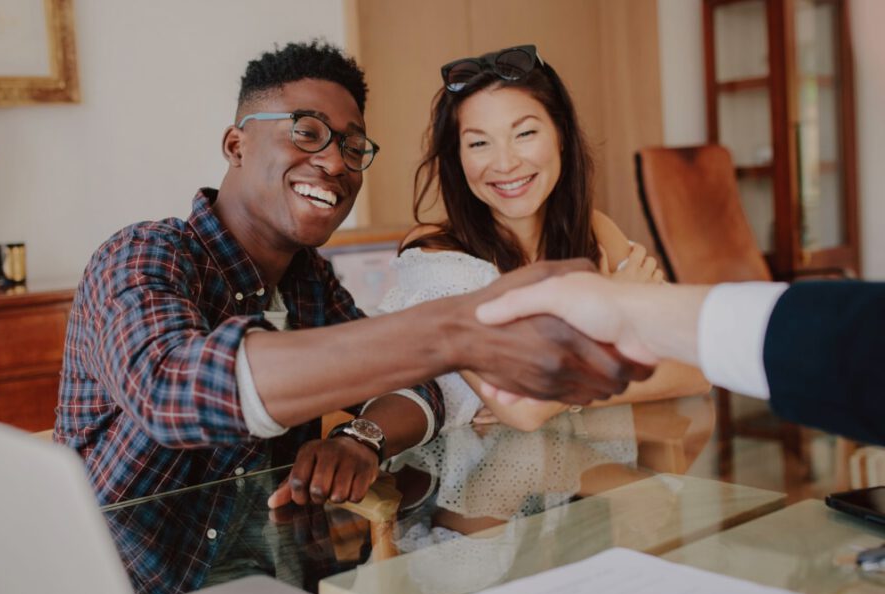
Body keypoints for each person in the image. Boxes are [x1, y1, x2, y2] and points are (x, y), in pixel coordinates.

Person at [54, 41, 652, 520]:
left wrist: (362, 437)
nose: (336, 162)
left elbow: (418, 387)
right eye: (307, 132)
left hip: (286, 593)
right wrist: (449, 330)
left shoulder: (312, 285)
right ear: (237, 144)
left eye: (353, 145)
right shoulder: (142, 256)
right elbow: (173, 390)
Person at [377, 44, 708, 433]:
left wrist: (562, 395)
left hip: (588, 473)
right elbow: (525, 412)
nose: (504, 163)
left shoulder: (595, 231)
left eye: (525, 133)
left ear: (561, 135)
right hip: (453, 485)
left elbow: (697, 364)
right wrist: (608, 319)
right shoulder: (435, 254)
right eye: (479, 143)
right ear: (458, 158)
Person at [477, 272, 885, 445]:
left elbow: (695, 375)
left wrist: (631, 310)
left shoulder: (600, 231)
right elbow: (527, 412)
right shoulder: (445, 261)